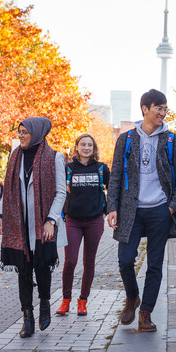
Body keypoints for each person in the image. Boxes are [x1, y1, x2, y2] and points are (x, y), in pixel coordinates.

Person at [107, 89, 176, 332]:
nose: (162, 113)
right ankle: (132, 297)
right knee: (125, 260)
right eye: (158, 108)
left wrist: (171, 208)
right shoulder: (127, 138)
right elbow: (115, 177)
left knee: (154, 264)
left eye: (165, 109)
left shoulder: (172, 140)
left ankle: (146, 313)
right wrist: (112, 208)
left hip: (160, 212)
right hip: (131, 210)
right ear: (145, 109)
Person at [0, 117, 67, 338]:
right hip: (18, 224)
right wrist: (0, 214)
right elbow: (8, 188)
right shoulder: (15, 156)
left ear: (36, 133)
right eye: (19, 132)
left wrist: (51, 220)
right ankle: (28, 317)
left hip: (43, 224)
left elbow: (60, 192)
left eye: (25, 132)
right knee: (23, 270)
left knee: (42, 267)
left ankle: (45, 303)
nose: (21, 136)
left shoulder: (54, 157)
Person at [55, 134, 110, 317]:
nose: (86, 148)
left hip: (95, 220)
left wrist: (111, 211)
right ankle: (65, 301)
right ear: (76, 147)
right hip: (73, 220)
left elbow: (113, 190)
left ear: (93, 148)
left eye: (89, 145)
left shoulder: (101, 168)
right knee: (70, 261)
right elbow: (59, 192)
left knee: (89, 261)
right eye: (83, 145)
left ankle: (83, 302)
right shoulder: (68, 168)